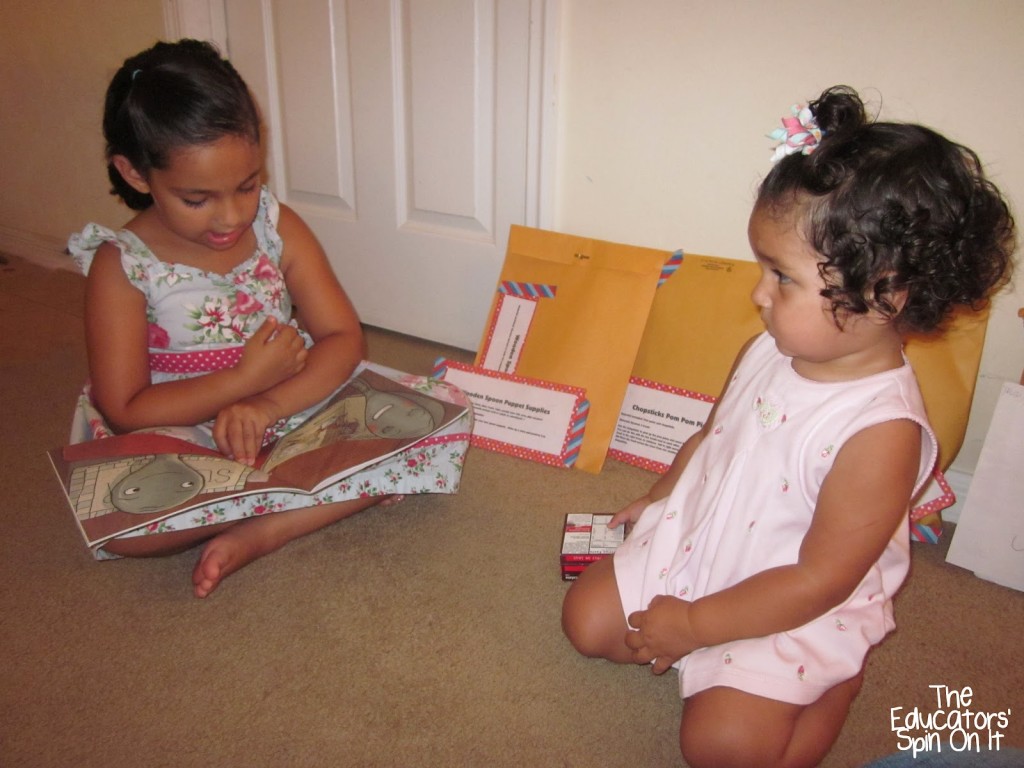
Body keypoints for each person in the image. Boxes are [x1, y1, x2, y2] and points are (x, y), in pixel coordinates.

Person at [561, 85, 1015, 768]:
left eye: (782, 277)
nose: (757, 294)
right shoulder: (771, 347)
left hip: (791, 593)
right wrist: (661, 495)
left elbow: (818, 579)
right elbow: (713, 437)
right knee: (586, 622)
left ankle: (833, 686)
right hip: (705, 537)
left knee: (723, 749)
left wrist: (690, 625)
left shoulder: (880, 432)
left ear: (885, 294)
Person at [67, 39, 471, 598]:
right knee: (124, 521)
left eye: (247, 184)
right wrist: (242, 383)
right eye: (196, 198)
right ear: (136, 174)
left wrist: (266, 402)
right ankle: (296, 490)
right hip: (180, 429)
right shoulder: (123, 264)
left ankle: (266, 526)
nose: (232, 215)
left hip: (288, 405)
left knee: (439, 419)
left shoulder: (276, 225)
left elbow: (342, 337)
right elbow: (125, 407)